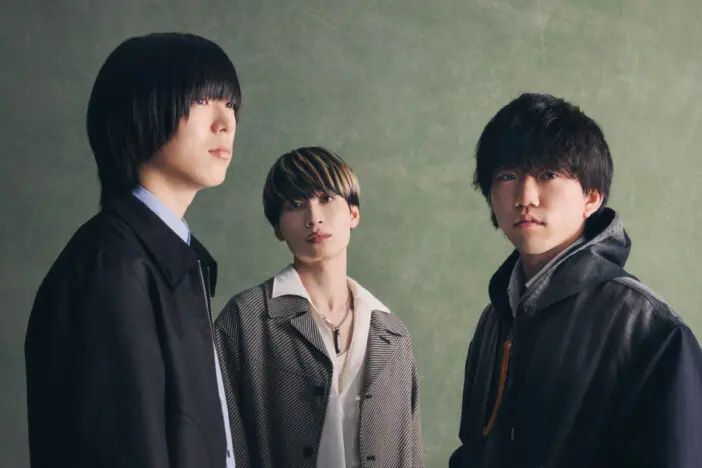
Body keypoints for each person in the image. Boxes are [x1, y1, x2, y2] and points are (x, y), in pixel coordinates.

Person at [25, 32, 244, 468]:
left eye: (231, 103)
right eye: (201, 99)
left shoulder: (168, 256)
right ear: (140, 110)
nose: (225, 122)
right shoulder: (112, 266)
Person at [449, 92, 702, 468]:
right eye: (507, 176)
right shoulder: (495, 319)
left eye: (548, 175)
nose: (525, 197)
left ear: (592, 197)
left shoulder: (650, 328)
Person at [216, 146, 424, 467]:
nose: (313, 218)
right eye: (295, 205)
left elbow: (409, 455)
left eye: (326, 198)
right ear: (278, 228)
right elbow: (221, 443)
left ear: (353, 214)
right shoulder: (245, 320)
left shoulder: (392, 335)